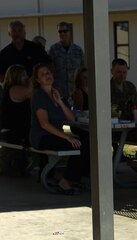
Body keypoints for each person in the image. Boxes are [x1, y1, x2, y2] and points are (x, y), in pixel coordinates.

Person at [29, 63, 89, 195]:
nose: (47, 76)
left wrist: (60, 102)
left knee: (85, 141)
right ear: (38, 80)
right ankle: (65, 181)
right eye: (43, 74)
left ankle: (72, 178)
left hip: (55, 135)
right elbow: (44, 124)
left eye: (48, 73)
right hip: (42, 137)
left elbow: (72, 119)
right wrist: (67, 137)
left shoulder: (55, 93)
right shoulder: (39, 96)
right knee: (79, 145)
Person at [0, 64, 32, 177]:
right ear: (16, 76)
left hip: (14, 130)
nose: (26, 77)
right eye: (24, 75)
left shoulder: (9, 89)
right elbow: (32, 92)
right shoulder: (15, 89)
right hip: (14, 132)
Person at [48, 22, 85, 102]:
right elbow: (49, 71)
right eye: (60, 31)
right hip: (58, 93)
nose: (62, 33)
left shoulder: (78, 50)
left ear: (69, 32)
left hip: (74, 93)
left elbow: (82, 71)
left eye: (65, 31)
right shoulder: (53, 50)